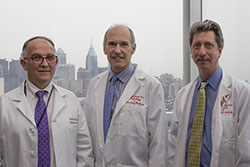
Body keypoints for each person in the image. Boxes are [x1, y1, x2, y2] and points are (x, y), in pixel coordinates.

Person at [0, 36, 94, 167]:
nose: (44, 64)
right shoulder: (4, 104)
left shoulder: (71, 100)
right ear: (23, 63)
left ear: (56, 62)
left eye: (49, 58)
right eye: (37, 58)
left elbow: (84, 151)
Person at [168, 20, 250, 167]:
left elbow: (247, 151)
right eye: (196, 46)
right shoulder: (183, 95)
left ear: (220, 50)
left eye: (208, 45)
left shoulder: (242, 93)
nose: (202, 52)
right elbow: (174, 144)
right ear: (191, 51)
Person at [84, 24, 167, 166]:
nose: (117, 50)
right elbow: (87, 136)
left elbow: (158, 143)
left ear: (133, 48)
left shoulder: (151, 86)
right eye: (112, 44)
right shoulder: (94, 85)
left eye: (123, 44)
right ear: (104, 49)